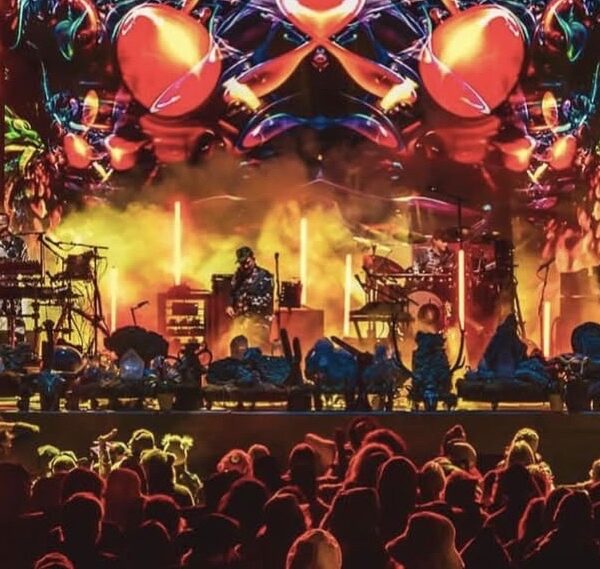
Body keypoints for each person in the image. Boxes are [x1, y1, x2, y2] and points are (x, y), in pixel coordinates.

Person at [227, 246, 274, 351]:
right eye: (242, 263)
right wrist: (230, 305)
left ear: (253, 259)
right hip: (240, 321)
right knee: (239, 350)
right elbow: (232, 292)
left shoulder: (265, 276)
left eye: (247, 262)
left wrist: (249, 301)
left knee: (257, 350)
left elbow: (267, 300)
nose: (245, 266)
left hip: (259, 322)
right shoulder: (238, 276)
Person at [0, 212, 28, 343]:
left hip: (13, 289)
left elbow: (27, 267)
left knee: (17, 321)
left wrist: (32, 286)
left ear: (7, 224)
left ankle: (20, 347)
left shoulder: (19, 243)